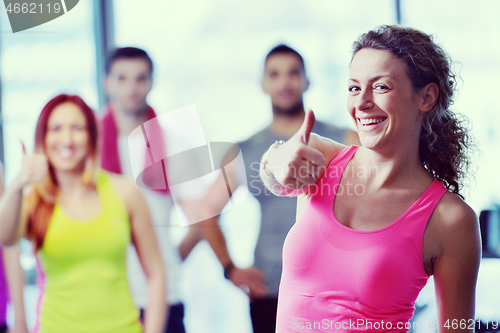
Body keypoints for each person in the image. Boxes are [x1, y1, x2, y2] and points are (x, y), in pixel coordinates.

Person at [259, 26, 481, 332]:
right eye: (353, 88)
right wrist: (276, 161)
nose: (362, 102)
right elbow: (275, 172)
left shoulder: (451, 219)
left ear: (426, 97)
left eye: (381, 87)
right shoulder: (323, 159)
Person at [183, 44, 358, 332]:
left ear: (306, 81)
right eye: (275, 74)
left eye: (293, 73)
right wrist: (230, 269)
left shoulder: (343, 139)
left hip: (336, 290)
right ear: (263, 84)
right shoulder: (245, 151)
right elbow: (206, 211)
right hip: (270, 291)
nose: (285, 82)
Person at [0, 94, 166, 333]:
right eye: (56, 128)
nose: (66, 139)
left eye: (77, 128)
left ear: (91, 136)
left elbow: (156, 273)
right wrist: (18, 183)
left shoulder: (125, 192)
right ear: (43, 137)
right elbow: (5, 237)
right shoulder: (33, 200)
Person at [101, 47, 201, 333]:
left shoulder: (174, 143)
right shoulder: (89, 146)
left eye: (140, 78)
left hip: (164, 296)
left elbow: (201, 219)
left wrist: (168, 257)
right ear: (107, 83)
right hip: (106, 297)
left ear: (151, 82)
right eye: (122, 78)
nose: (131, 87)